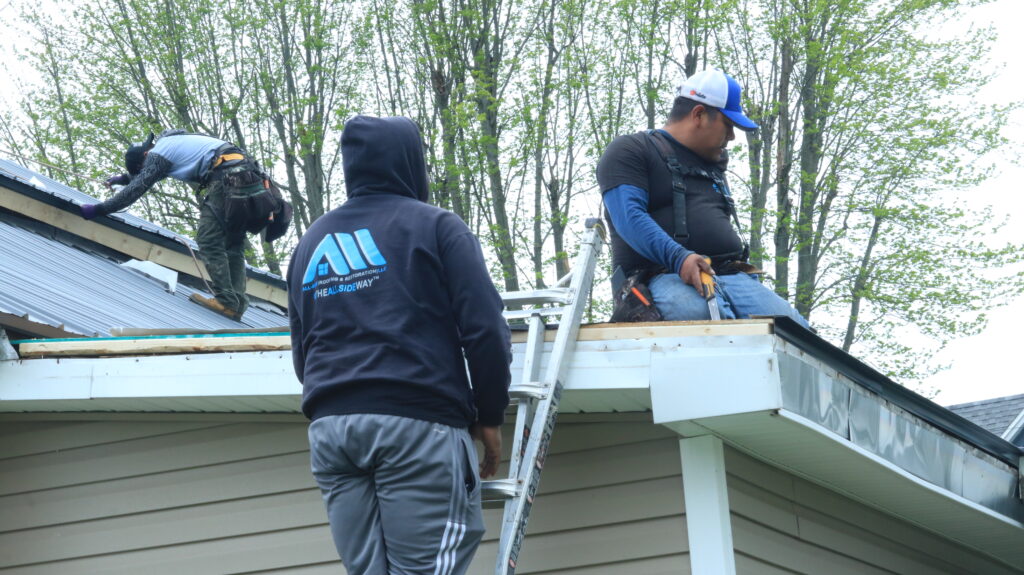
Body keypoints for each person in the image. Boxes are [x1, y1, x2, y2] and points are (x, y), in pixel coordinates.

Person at [287, 115, 511, 575]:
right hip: (415, 424)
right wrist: (489, 416)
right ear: (412, 162)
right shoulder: (435, 226)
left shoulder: (312, 241)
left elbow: (302, 353)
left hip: (332, 431)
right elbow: (485, 329)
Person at [597, 69, 809, 327]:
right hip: (659, 277)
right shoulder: (632, 150)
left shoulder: (713, 164)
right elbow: (628, 217)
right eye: (728, 125)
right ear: (698, 115)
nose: (732, 137)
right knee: (704, 317)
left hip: (730, 277)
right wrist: (679, 257)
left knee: (797, 332)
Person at [79, 130, 291, 321]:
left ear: (146, 157)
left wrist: (100, 209)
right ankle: (236, 303)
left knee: (208, 240)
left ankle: (227, 301)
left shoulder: (156, 155)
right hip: (248, 179)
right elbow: (143, 176)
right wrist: (124, 178)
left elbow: (138, 187)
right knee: (232, 244)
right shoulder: (171, 143)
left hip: (227, 179)